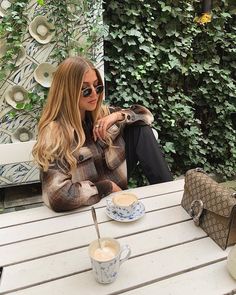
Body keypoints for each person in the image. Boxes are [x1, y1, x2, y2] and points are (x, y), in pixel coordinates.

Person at [33, 56, 172, 212]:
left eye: (97, 87)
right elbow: (57, 196)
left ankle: (168, 195)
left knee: (141, 129)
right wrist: (107, 187)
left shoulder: (101, 114)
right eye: (86, 90)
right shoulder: (55, 133)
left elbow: (147, 116)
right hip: (87, 207)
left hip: (118, 202)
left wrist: (117, 116)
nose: (95, 94)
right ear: (68, 92)